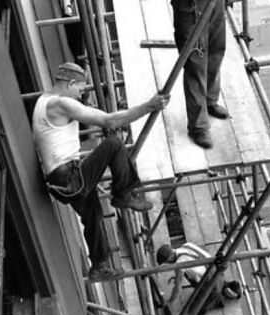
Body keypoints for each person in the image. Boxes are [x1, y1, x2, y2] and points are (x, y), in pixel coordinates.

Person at [32, 62, 169, 282]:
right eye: (80, 89)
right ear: (71, 83)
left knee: (93, 216)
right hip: (68, 177)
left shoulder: (42, 102)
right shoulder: (61, 103)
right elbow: (109, 120)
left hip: (61, 182)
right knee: (114, 143)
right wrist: (149, 106)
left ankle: (100, 266)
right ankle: (123, 194)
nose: (80, 95)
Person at [172, 0, 229, 150]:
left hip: (214, 3)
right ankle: (198, 126)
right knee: (195, 64)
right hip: (190, 6)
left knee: (216, 49)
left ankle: (209, 100)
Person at [156, 243, 241, 315]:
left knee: (194, 311)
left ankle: (218, 298)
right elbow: (195, 261)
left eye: (167, 261)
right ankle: (224, 285)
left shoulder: (179, 264)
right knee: (197, 279)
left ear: (170, 257)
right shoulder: (186, 245)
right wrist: (178, 276)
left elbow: (178, 288)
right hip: (217, 270)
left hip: (210, 284)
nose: (168, 263)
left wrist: (170, 301)